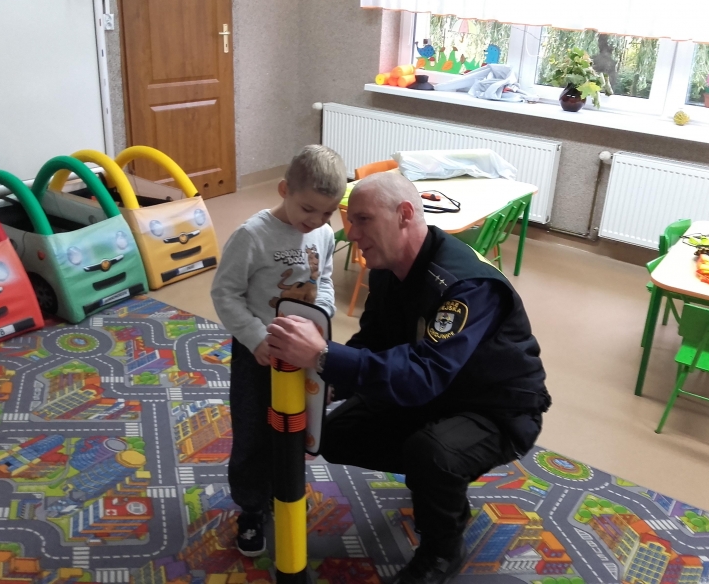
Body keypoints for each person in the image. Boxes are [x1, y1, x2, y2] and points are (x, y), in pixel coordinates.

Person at [266, 171, 551, 584]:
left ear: (403, 214)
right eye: (350, 220)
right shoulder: (388, 268)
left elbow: (423, 374)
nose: (351, 232)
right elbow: (374, 340)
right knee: (336, 434)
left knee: (432, 455)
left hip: (497, 409)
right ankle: (435, 480)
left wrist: (324, 355)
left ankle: (441, 550)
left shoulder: (465, 286)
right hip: (435, 391)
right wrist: (329, 383)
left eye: (363, 220)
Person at [210, 145, 347, 557]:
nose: (317, 220)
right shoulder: (252, 236)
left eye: (327, 213)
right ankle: (252, 507)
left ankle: (283, 489)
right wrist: (256, 338)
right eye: (308, 209)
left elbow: (324, 281)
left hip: (304, 355)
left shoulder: (323, 234)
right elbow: (225, 293)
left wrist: (322, 313)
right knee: (254, 430)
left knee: (297, 428)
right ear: (285, 189)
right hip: (259, 356)